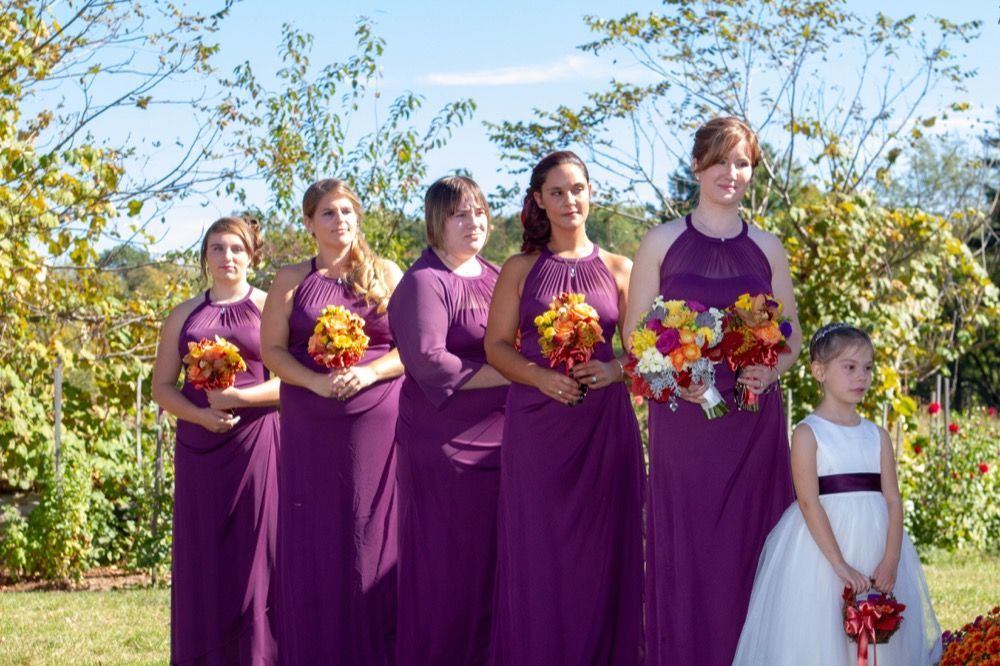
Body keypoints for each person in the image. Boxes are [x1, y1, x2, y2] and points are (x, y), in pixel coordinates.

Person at [625, 116, 801, 665]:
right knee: (692, 551)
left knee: (754, 548)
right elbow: (634, 342)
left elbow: (791, 337)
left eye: (743, 162)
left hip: (753, 423)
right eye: (720, 160)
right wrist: (678, 377)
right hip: (685, 423)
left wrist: (770, 371)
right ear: (698, 165)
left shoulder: (768, 248)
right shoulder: (661, 242)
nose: (732, 172)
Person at [484, 151, 645, 665]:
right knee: (541, 557)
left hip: (605, 430)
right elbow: (496, 347)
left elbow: (652, 351)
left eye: (577, 188)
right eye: (556, 192)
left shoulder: (621, 268)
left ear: (591, 192)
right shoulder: (519, 269)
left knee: (605, 556)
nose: (569, 200)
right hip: (538, 430)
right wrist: (540, 377)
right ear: (539, 200)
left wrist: (616, 370)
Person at [733, 323, 942, 665]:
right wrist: (839, 564)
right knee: (823, 635)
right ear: (819, 371)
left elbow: (892, 498)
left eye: (868, 368)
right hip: (822, 553)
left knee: (879, 638)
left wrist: (891, 558)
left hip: (875, 545)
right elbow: (808, 501)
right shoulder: (807, 433)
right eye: (850, 367)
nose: (862, 376)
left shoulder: (877, 435)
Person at [260, 179, 404, 665]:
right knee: (317, 532)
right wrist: (314, 382)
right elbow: (273, 351)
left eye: (347, 211)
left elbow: (414, 348)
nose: (339, 220)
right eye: (327, 213)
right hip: (311, 419)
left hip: (378, 421)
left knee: (372, 532)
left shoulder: (385, 273)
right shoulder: (291, 280)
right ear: (308, 223)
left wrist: (369, 371)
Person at [387, 175, 509, 665]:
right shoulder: (423, 282)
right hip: (446, 449)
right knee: (449, 571)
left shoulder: (499, 275)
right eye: (461, 214)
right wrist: (515, 373)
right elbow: (430, 362)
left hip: (506, 443)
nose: (473, 223)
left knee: (497, 567)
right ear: (437, 221)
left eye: (479, 212)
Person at [151, 216, 279, 665]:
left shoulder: (270, 306)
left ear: (252, 255)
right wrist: (201, 416)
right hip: (198, 448)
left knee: (257, 555)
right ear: (205, 257)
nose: (228, 257)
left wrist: (240, 397)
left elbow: (291, 382)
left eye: (237, 248)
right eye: (218, 248)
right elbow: (162, 387)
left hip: (256, 445)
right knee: (202, 557)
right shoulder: (184, 315)